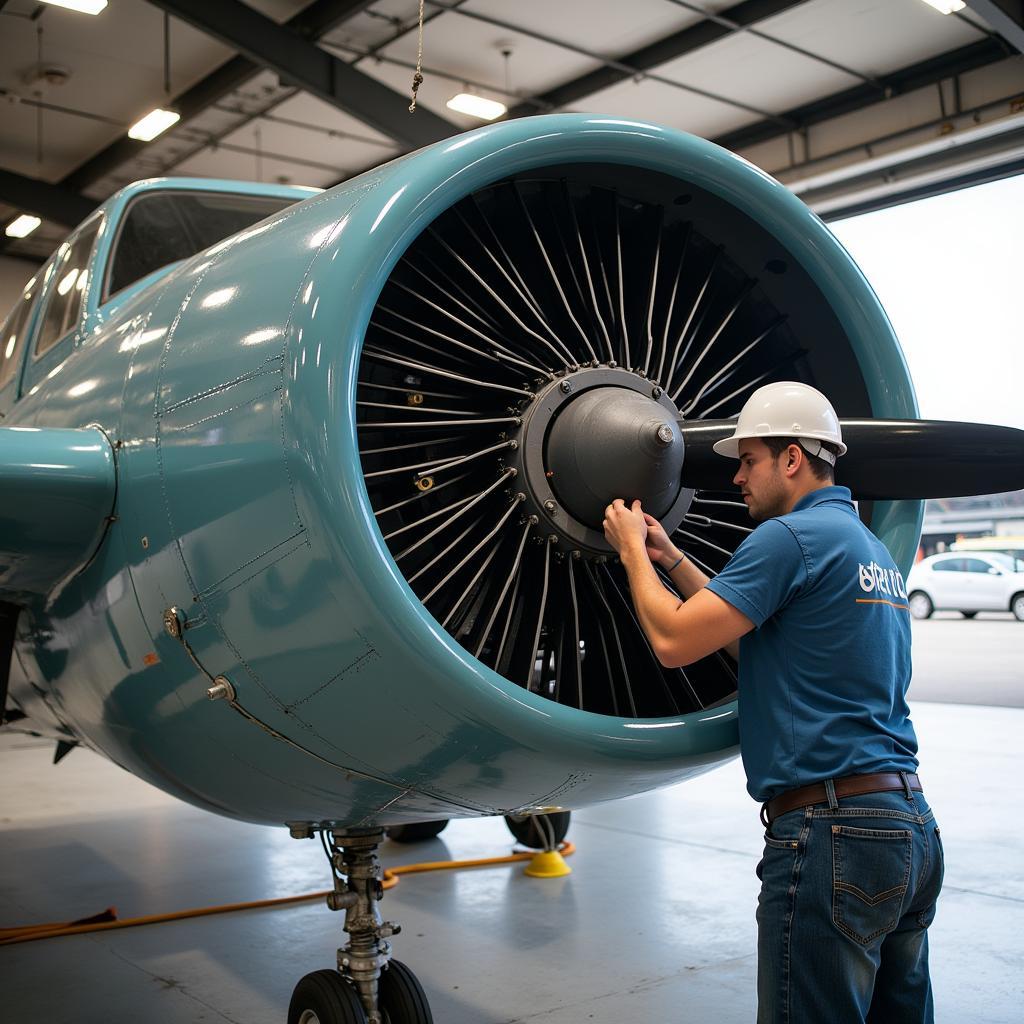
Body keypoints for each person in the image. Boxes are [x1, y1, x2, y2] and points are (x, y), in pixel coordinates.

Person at [602, 381, 943, 1024]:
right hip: (910, 830)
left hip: (831, 831)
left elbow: (676, 639)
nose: (736, 477)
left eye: (748, 459)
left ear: (792, 459)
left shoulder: (790, 538)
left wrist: (628, 553)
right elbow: (756, 641)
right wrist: (671, 558)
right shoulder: (867, 551)